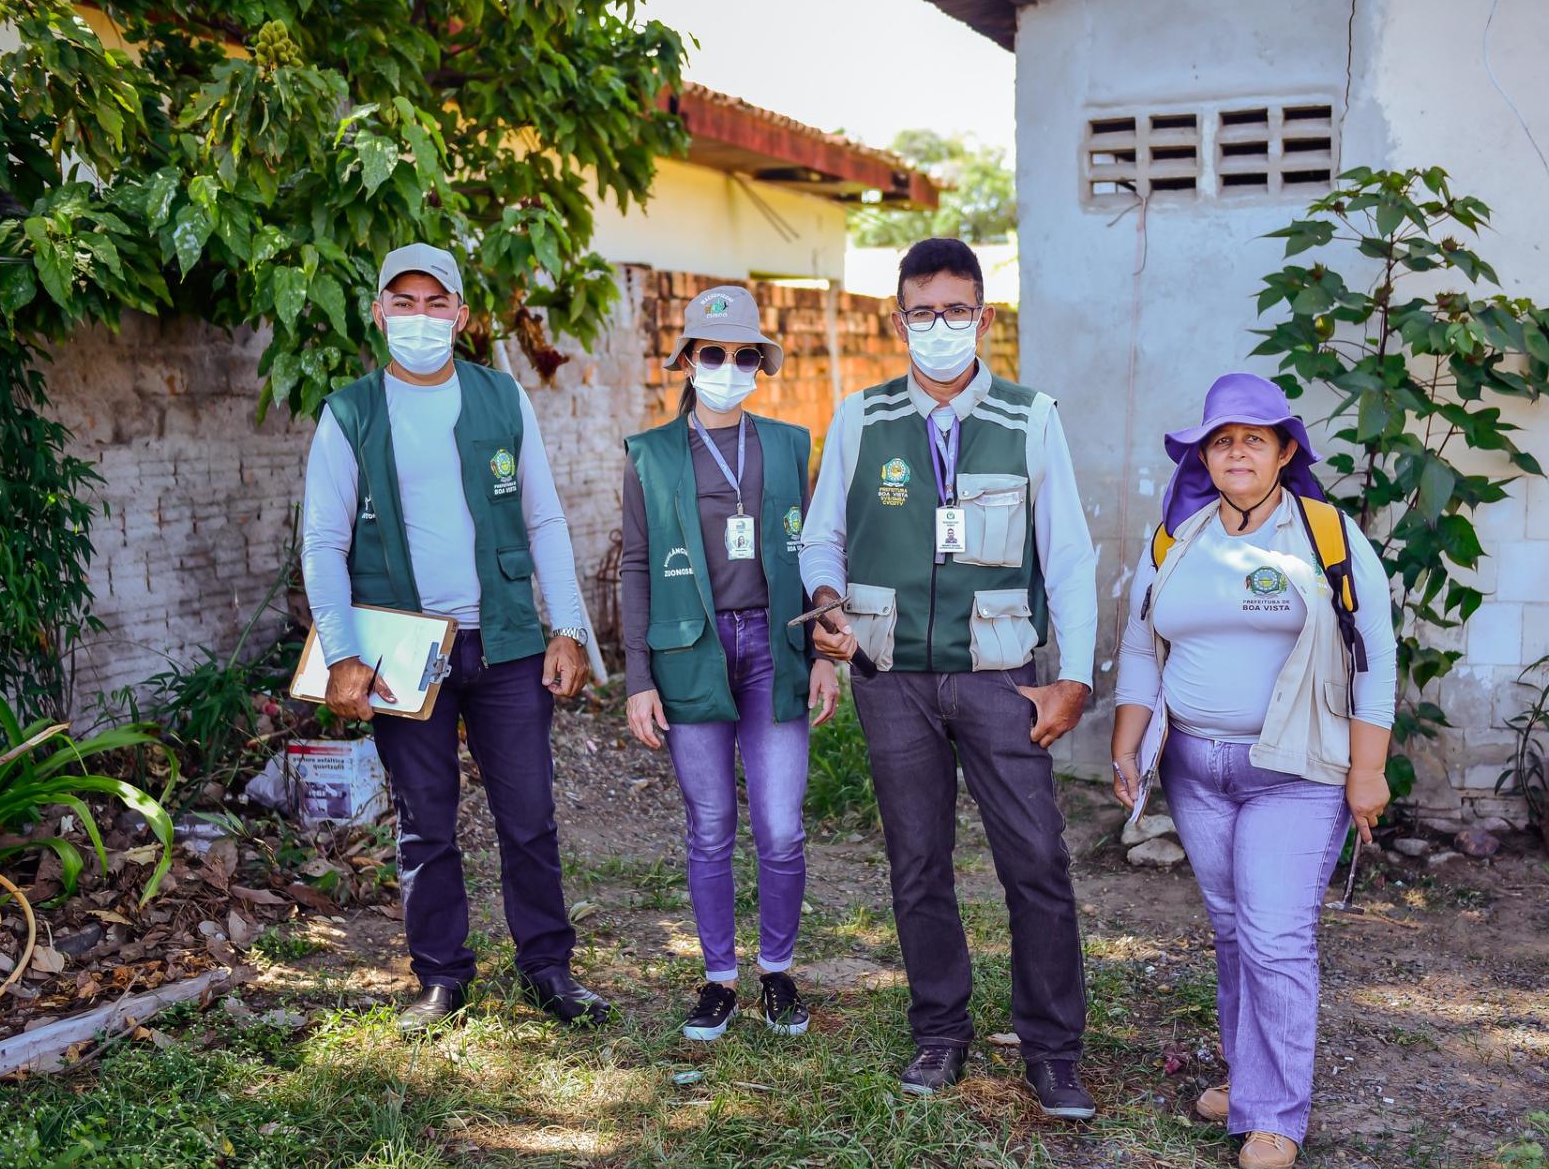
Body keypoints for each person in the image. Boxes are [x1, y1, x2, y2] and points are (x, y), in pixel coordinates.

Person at [800, 238, 1100, 1119]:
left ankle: (1052, 1049)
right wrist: (825, 601)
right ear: (898, 320)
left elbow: (1071, 559)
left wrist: (1072, 679)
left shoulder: (1029, 416)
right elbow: (822, 536)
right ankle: (941, 1029)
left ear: (984, 316)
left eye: (956, 310)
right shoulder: (859, 417)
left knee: (1036, 859)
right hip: (891, 676)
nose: (939, 327)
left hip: (1001, 676)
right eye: (922, 312)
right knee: (917, 861)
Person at [302, 242, 611, 1033]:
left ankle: (548, 967)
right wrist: (340, 653)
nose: (419, 318)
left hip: (504, 641)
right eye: (401, 303)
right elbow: (321, 544)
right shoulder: (350, 414)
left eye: (435, 304)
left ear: (462, 317)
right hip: (405, 652)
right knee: (425, 818)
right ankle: (441, 975)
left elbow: (543, 518)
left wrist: (568, 628)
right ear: (378, 313)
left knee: (529, 813)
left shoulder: (502, 398)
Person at [1109, 372, 1396, 1169]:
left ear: (1284, 452)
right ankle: (1247, 1080)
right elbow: (1141, 645)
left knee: (1275, 936)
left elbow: (1377, 654)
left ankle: (1274, 1113)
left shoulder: (1327, 535)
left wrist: (1367, 770)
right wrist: (1127, 746)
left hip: (1296, 772)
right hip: (1194, 770)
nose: (1238, 450)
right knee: (1235, 933)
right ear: (1205, 453)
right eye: (1223, 438)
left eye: (1255, 438)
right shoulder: (1178, 535)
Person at [619, 285, 839, 1041]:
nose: (728, 366)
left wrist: (821, 655)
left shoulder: (787, 443)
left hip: (773, 648)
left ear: (759, 365)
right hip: (691, 654)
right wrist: (638, 678)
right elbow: (636, 569)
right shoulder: (649, 456)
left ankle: (776, 969)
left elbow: (813, 553)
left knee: (780, 827)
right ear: (687, 360)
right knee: (710, 823)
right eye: (712, 353)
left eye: (744, 355)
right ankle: (719, 979)